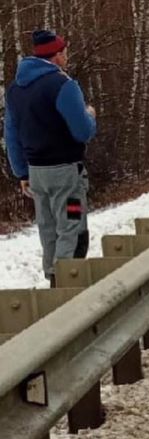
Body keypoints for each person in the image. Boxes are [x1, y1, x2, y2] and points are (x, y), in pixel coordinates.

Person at [4, 30, 97, 285]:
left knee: (48, 229)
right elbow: (82, 131)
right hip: (66, 175)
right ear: (56, 56)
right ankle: (67, 283)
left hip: (37, 176)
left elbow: (11, 133)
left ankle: (53, 277)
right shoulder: (62, 85)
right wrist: (90, 115)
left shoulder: (15, 90)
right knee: (73, 226)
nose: (67, 57)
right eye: (64, 52)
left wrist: (21, 173)